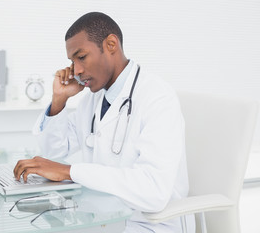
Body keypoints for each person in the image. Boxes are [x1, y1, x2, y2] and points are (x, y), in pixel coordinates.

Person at [13, 12, 194, 233]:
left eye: (81, 57)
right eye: (72, 62)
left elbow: (153, 191)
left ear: (110, 44)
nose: (76, 70)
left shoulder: (157, 97)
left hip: (150, 223)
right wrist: (59, 99)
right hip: (104, 218)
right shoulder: (93, 99)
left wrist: (71, 172)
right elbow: (53, 154)